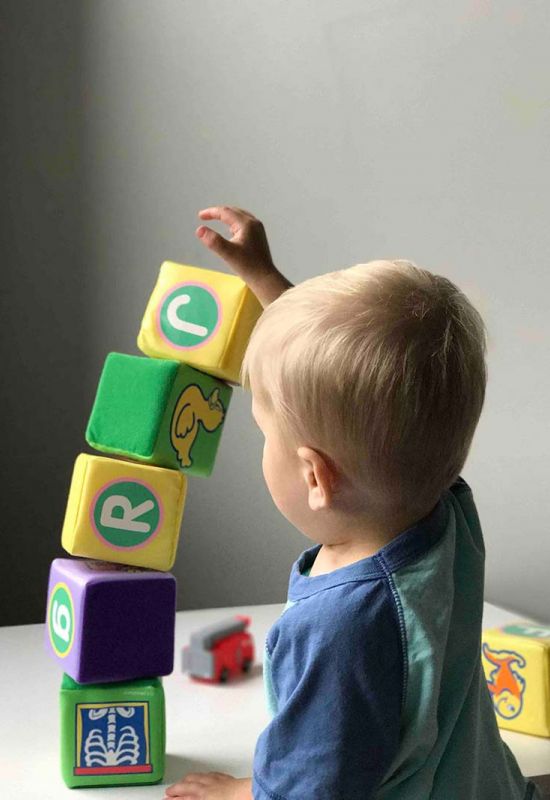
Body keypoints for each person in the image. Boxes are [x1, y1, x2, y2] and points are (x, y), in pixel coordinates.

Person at [164, 206, 541, 800]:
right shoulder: (441, 510)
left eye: (265, 433)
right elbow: (369, 400)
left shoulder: (341, 628)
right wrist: (267, 283)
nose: (264, 443)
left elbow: (313, 789)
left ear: (316, 476)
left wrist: (242, 792)